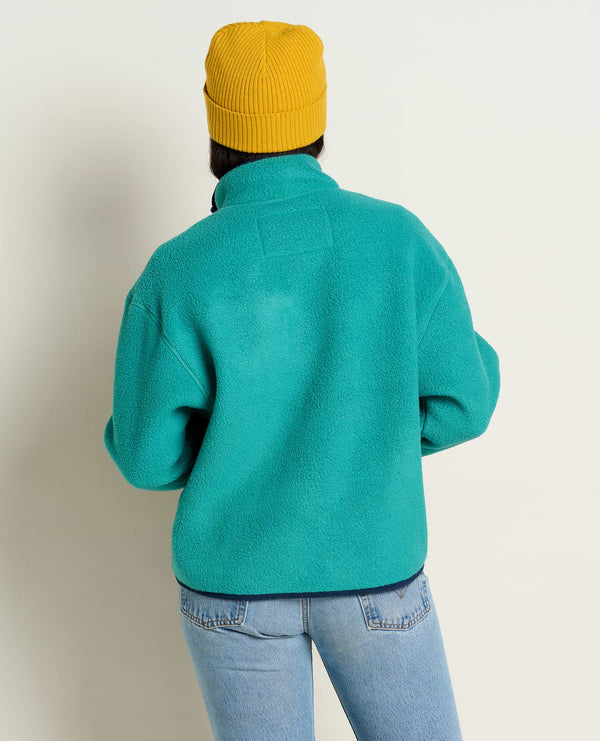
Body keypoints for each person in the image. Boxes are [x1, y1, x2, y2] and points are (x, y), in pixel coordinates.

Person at [104, 19, 500, 741]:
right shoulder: (397, 239)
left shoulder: (178, 270)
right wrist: (366, 432)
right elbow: (464, 402)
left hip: (234, 584)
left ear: (217, 126)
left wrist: (240, 449)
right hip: (374, 568)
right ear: (317, 119)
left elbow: (144, 457)